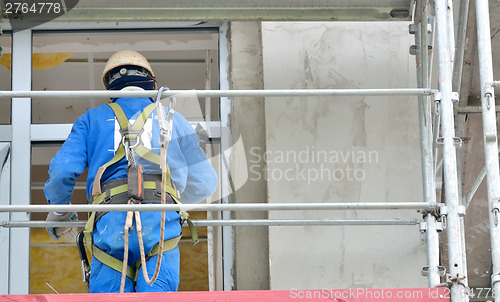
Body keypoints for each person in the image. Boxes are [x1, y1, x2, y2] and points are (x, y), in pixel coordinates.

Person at [44, 50, 218, 293]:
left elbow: (62, 172)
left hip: (110, 224)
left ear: (110, 87)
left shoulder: (91, 120)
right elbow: (206, 183)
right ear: (151, 82)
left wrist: (60, 212)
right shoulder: (172, 119)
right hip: (160, 225)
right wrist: (170, 201)